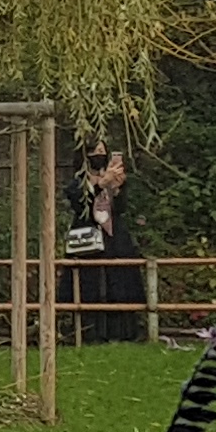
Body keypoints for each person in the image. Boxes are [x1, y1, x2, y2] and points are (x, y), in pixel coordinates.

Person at [64, 147, 145, 343]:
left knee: (120, 277)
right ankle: (89, 331)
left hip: (114, 236)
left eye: (102, 150)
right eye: (95, 150)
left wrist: (118, 187)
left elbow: (120, 208)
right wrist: (101, 184)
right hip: (87, 237)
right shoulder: (78, 181)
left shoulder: (111, 177)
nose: (99, 154)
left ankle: (123, 331)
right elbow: (81, 203)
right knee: (88, 281)